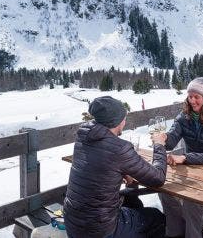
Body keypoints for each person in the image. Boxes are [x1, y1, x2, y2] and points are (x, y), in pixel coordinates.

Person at [64, 96, 168, 238]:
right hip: (100, 230)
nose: (125, 122)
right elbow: (158, 178)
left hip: (73, 222)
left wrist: (122, 170)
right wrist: (159, 145)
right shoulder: (119, 148)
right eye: (124, 118)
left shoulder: (83, 137)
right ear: (117, 121)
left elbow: (100, 164)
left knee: (132, 201)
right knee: (156, 217)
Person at [153, 77, 203, 238]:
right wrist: (163, 138)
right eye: (190, 96)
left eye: (197, 97)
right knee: (164, 189)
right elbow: (172, 139)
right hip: (191, 169)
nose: (192, 101)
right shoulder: (184, 116)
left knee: (191, 201)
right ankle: (175, 233)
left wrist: (185, 158)